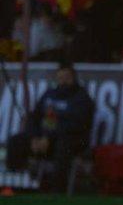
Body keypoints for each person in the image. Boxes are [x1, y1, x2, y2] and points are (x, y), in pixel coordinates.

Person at [6, 62, 95, 192]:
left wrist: (49, 138)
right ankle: (16, 185)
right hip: (43, 140)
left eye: (67, 78)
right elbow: (34, 118)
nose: (63, 81)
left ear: (74, 78)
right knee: (16, 142)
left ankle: (57, 191)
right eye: (60, 78)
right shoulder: (49, 94)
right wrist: (34, 138)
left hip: (70, 141)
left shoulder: (82, 99)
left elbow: (76, 125)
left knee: (63, 147)